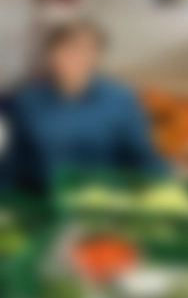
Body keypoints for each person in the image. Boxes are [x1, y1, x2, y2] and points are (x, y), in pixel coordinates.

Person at [4, 20, 165, 193]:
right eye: (66, 48)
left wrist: (163, 180)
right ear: (50, 54)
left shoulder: (120, 99)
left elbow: (140, 154)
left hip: (99, 201)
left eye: (85, 49)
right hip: (40, 198)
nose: (75, 57)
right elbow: (16, 156)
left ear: (97, 55)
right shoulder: (28, 100)